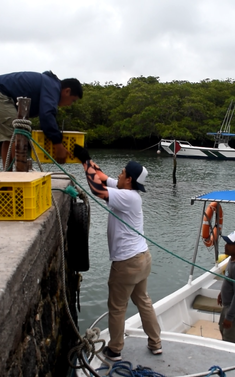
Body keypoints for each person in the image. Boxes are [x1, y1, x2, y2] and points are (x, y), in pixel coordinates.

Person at [74, 144, 162, 361]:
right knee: (143, 300)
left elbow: (97, 189)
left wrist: (85, 163)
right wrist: (87, 159)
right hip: (142, 259)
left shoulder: (128, 197)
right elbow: (102, 177)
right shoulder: (127, 189)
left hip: (127, 263)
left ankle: (115, 349)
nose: (119, 175)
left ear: (129, 180)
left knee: (117, 307)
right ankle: (156, 343)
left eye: (122, 172)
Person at [0, 71, 82, 168]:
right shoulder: (53, 87)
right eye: (72, 100)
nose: (69, 105)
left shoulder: (48, 83)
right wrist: (58, 144)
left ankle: (7, 177)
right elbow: (47, 116)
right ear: (67, 91)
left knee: (8, 138)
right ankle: (18, 178)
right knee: (18, 133)